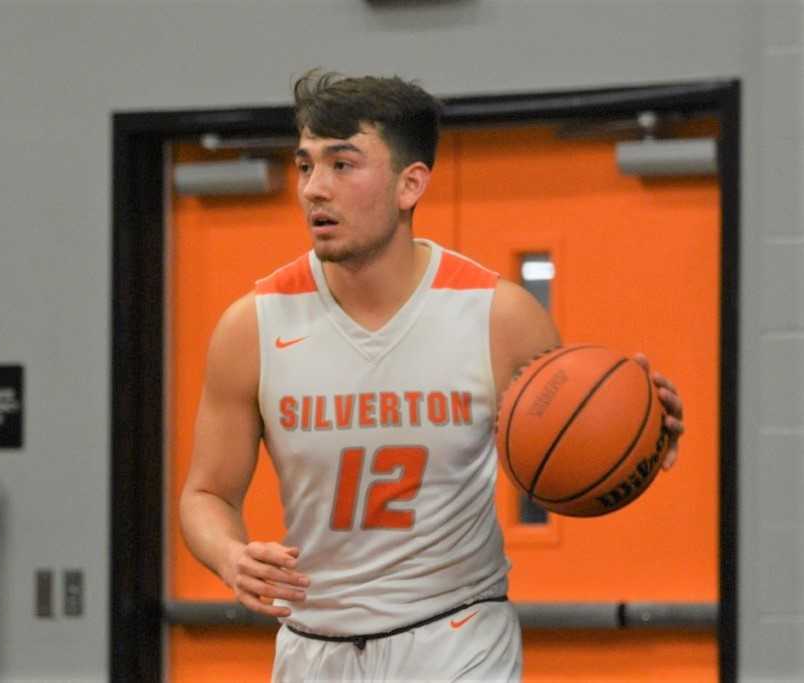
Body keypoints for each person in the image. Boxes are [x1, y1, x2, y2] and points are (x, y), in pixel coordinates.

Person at [179, 70, 685, 682]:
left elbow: (577, 440)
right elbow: (205, 495)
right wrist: (232, 558)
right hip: (315, 645)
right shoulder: (252, 326)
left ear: (409, 183)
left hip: (456, 636)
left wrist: (644, 433)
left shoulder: (498, 315)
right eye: (305, 165)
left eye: (343, 165)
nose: (314, 188)